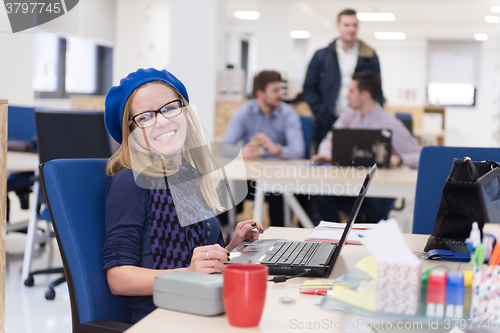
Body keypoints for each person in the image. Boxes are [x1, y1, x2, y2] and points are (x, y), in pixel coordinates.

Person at [102, 68, 264, 324]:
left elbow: (195, 257)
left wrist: (233, 247)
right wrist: (188, 272)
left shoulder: (187, 175)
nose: (162, 121)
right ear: (130, 130)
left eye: (169, 108)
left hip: (203, 303)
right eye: (145, 117)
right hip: (163, 318)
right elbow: (118, 279)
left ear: (185, 111)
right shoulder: (130, 181)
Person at [312, 71, 421, 223]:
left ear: (365, 95)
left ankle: (368, 240)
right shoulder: (349, 116)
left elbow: (420, 154)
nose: (347, 95)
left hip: (375, 188)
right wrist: (327, 153)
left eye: (351, 91)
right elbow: (328, 139)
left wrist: (400, 158)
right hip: (346, 183)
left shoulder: (389, 123)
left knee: (375, 198)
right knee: (320, 192)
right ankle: (336, 236)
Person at [222, 70, 306, 227]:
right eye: (275, 91)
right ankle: (225, 233)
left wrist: (277, 150)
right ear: (260, 93)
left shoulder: (288, 114)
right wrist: (242, 153)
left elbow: (298, 150)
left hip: (280, 178)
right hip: (251, 177)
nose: (280, 94)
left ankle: (280, 238)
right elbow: (225, 146)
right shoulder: (244, 112)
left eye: (281, 90)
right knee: (225, 185)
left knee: (280, 195)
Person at [303, 8, 383, 150]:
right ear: (338, 26)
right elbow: (309, 88)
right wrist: (321, 112)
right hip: (326, 121)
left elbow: (377, 91)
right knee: (325, 164)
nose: (351, 29)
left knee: (358, 164)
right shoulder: (321, 56)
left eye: (354, 25)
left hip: (359, 122)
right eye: (346, 25)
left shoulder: (370, 57)